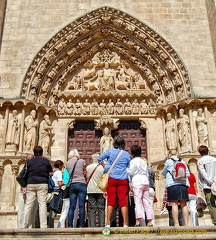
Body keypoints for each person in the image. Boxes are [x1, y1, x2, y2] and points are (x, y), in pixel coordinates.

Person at [98, 135, 130, 228]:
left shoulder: (110, 151)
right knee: (123, 201)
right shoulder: (126, 154)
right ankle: (125, 223)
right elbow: (128, 166)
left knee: (111, 201)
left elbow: (100, 158)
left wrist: (104, 166)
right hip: (123, 179)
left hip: (112, 178)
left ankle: (107, 223)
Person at [22, 146, 53, 228]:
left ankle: (24, 224)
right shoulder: (46, 161)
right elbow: (51, 173)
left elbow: (26, 172)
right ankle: (43, 225)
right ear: (42, 153)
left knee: (28, 204)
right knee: (42, 204)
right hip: (42, 183)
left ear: (34, 153)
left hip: (31, 183)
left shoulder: (30, 162)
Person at [162, 149, 190, 226]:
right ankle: (186, 224)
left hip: (172, 184)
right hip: (183, 184)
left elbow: (163, 172)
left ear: (170, 154)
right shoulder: (182, 161)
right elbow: (187, 174)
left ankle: (176, 224)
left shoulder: (168, 161)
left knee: (174, 203)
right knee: (184, 204)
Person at [127, 145, 153, 227]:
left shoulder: (133, 162)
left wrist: (126, 170)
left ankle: (138, 221)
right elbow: (147, 172)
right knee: (147, 201)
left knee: (138, 201)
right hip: (145, 181)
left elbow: (130, 172)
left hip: (137, 182)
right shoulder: (144, 162)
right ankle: (150, 221)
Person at [17, 151, 39, 228]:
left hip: (30, 189)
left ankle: (29, 226)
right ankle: (22, 226)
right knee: (25, 209)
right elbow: (20, 177)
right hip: (27, 190)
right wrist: (23, 186)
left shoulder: (26, 167)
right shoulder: (26, 167)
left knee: (28, 209)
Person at [66, 148, 87, 227]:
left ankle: (70, 225)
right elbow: (85, 172)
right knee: (81, 206)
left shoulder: (67, 163)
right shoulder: (82, 161)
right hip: (81, 183)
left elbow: (68, 174)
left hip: (72, 184)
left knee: (72, 206)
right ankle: (81, 224)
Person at [197, 145, 216, 225]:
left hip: (208, 185)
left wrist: (210, 181)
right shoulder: (214, 159)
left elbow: (203, 173)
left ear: (200, 153)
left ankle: (215, 221)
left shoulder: (200, 161)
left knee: (211, 203)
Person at [86, 153, 105, 227]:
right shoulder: (102, 168)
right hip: (100, 190)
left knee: (92, 209)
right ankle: (102, 225)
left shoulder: (88, 167)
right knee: (101, 209)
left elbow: (87, 177)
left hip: (91, 189)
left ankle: (92, 226)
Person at [48, 160, 64, 228]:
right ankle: (51, 226)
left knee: (49, 210)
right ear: (60, 166)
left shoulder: (51, 172)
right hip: (56, 192)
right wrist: (65, 183)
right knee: (54, 210)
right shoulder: (58, 172)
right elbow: (59, 183)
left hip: (50, 192)